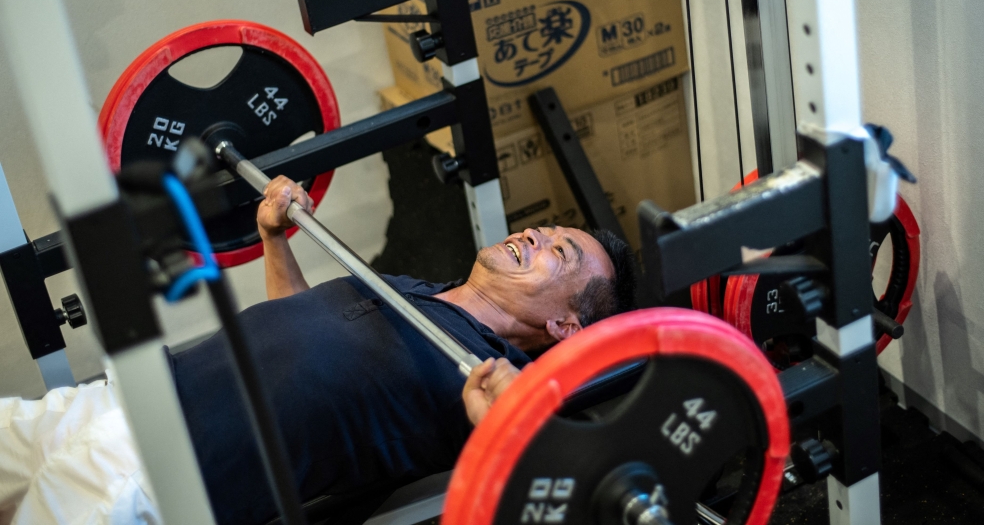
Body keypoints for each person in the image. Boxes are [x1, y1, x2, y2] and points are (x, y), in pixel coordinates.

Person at [0, 176, 636, 525]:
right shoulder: (420, 290)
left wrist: (502, 432)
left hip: (167, 472)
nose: (532, 234)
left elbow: (537, 480)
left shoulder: (497, 383)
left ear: (564, 327)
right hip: (122, 400)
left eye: (560, 251)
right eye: (543, 227)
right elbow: (293, 321)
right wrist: (276, 242)